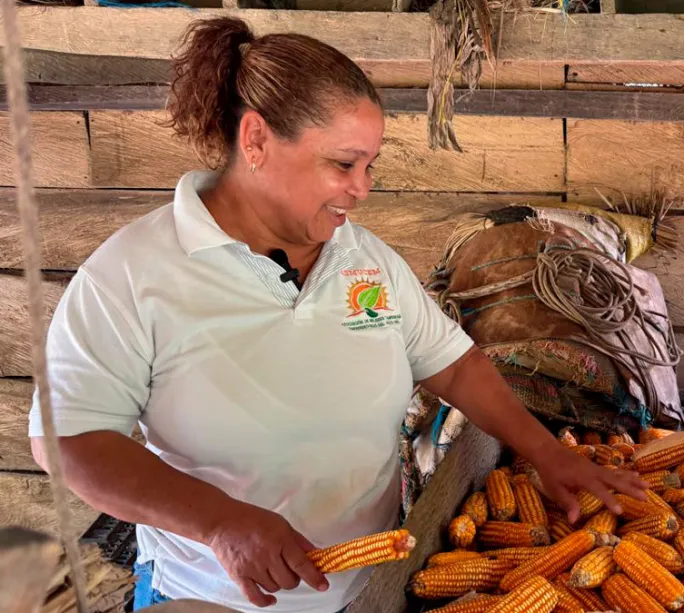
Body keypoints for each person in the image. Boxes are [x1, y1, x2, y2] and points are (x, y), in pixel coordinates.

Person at [27, 16, 647, 613]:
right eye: (342, 164)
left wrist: (547, 452)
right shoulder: (131, 275)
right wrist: (219, 523)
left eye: (369, 165)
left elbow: (454, 366)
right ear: (257, 141)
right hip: (211, 596)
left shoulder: (364, 260)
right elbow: (71, 441)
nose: (362, 187)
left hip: (372, 586)